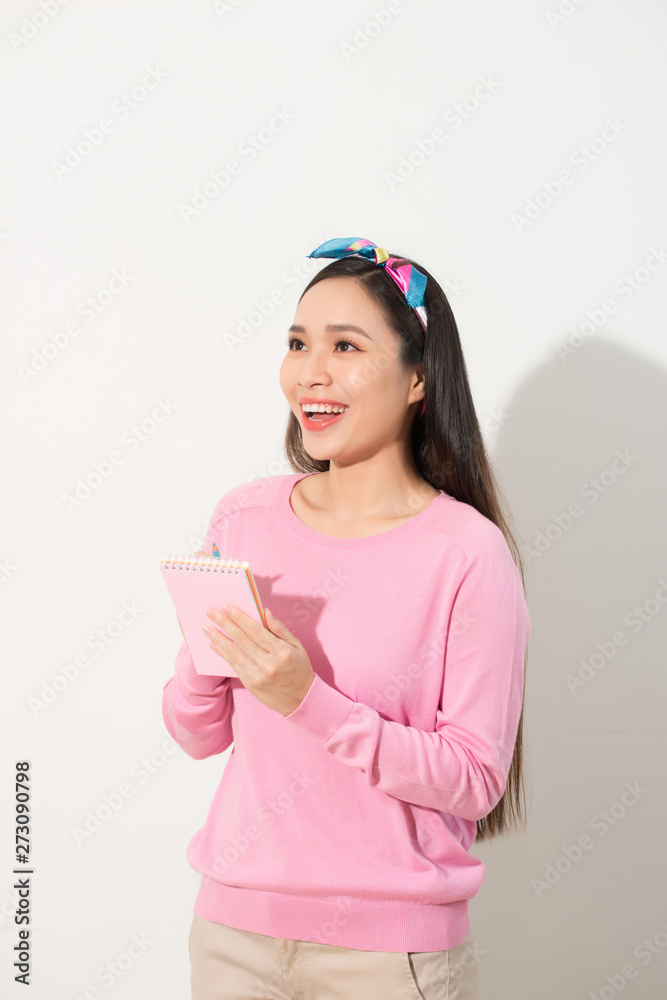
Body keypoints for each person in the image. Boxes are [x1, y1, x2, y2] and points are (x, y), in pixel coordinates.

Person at [162, 237, 531, 1000]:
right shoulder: (245, 516)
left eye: (345, 346)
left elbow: (472, 779)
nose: (311, 373)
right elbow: (197, 732)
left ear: (417, 379)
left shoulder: (465, 553)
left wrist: (306, 698)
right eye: (298, 343)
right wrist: (208, 646)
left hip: (387, 961)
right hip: (233, 937)